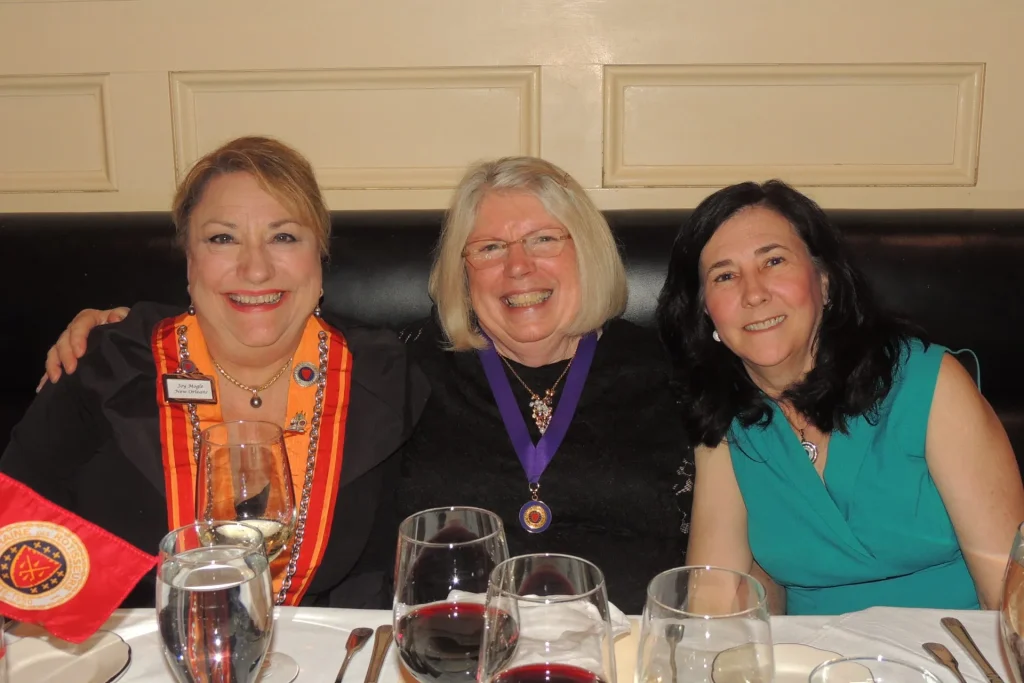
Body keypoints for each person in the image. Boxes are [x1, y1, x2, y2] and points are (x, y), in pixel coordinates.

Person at [39, 156, 694, 614]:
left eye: (545, 238)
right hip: (457, 651)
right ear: (462, 271)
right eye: (490, 247)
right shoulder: (411, 366)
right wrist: (118, 328)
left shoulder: (674, 375)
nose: (518, 267)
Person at [3, 136, 429, 609]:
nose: (255, 269)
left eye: (284, 237)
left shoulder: (383, 378)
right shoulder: (110, 365)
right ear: (190, 261)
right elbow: (12, 525)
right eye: (223, 238)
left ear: (319, 257)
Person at [655, 179, 1024, 615]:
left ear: (824, 281)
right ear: (705, 309)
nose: (753, 293)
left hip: (951, 646)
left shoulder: (931, 384)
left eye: (773, 261)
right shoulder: (724, 417)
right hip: (812, 653)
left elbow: (1008, 594)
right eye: (725, 276)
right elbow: (714, 594)